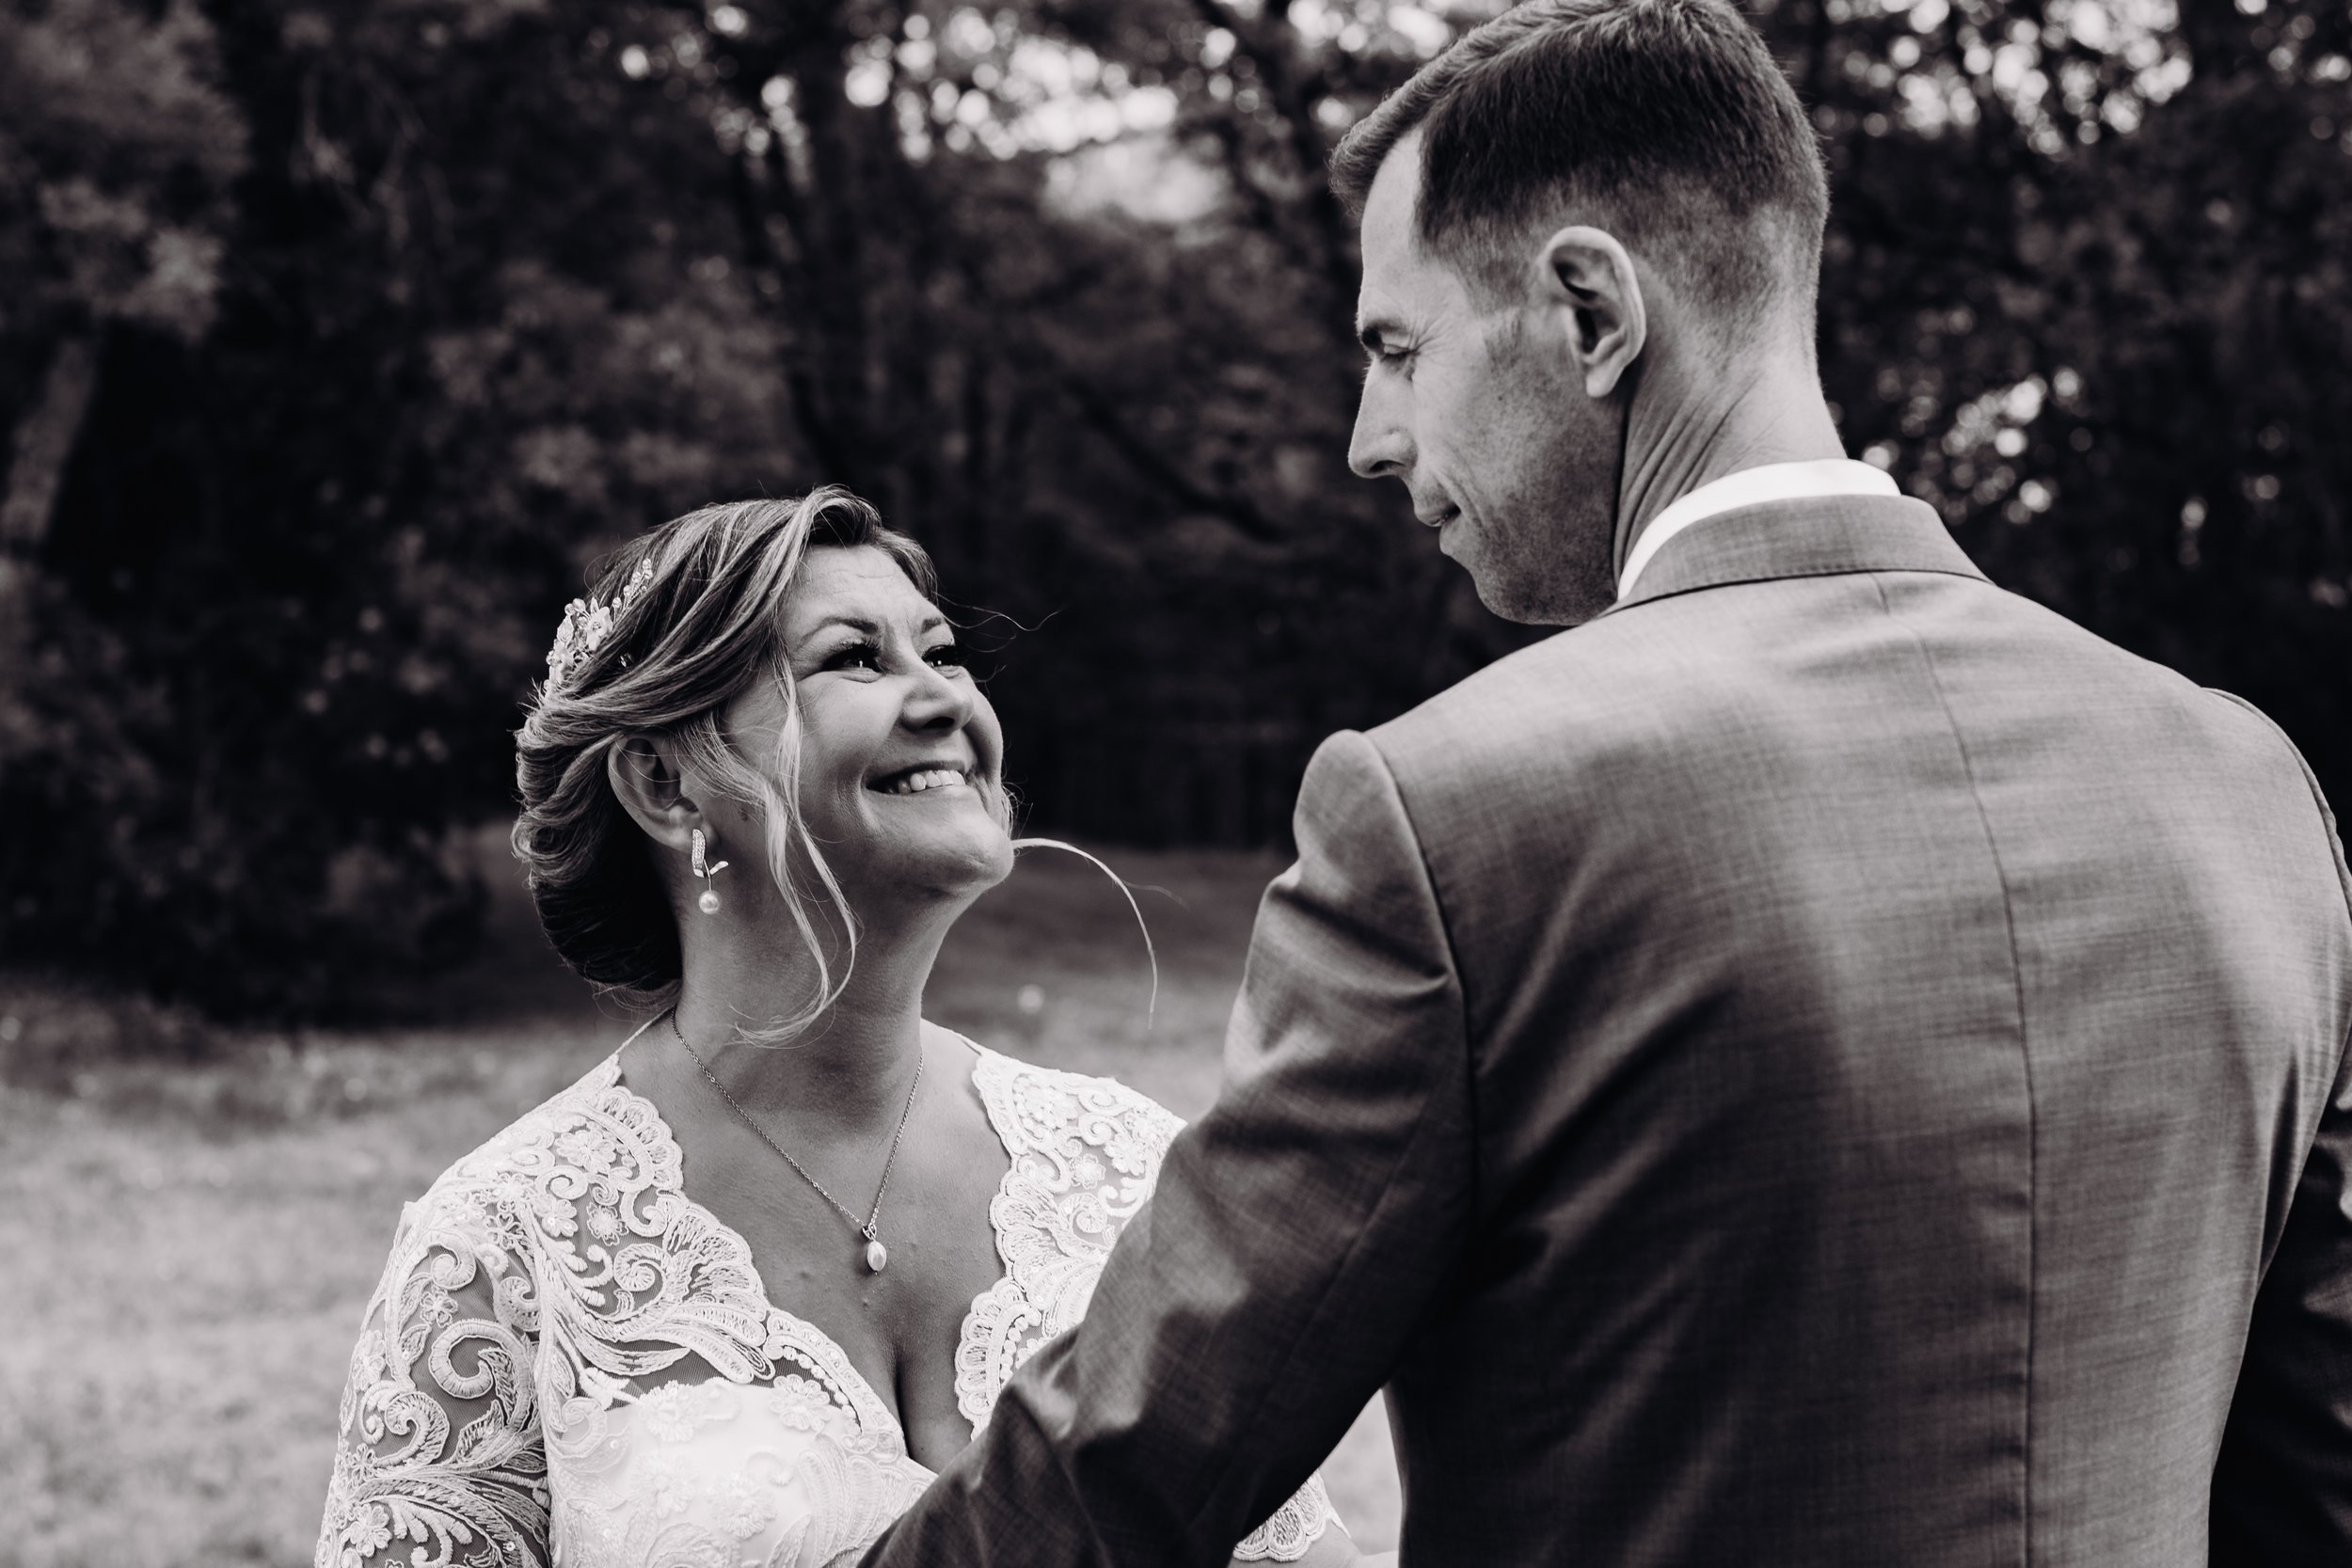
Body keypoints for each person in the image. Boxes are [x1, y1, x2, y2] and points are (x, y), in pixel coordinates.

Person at [858, 1, 2352, 1563]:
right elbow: (2317, 1487)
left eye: (1396, 347)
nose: (1374, 437)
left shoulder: (1454, 821)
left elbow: (1125, 1469)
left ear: (1588, 313)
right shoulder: (2248, 788)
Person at [313, 490, 1359, 1568]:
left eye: (943, 652)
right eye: (855, 658)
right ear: (665, 782)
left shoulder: (1131, 1172)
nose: (943, 696)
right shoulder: (503, 1248)